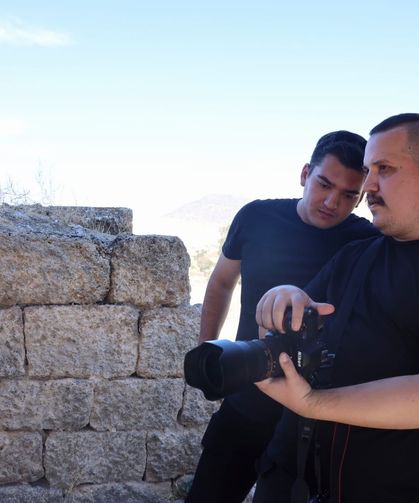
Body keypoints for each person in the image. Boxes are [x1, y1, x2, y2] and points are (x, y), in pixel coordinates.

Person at [186, 130, 379, 503]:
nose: (330, 201)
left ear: (360, 199)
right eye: (324, 183)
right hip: (246, 394)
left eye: (348, 195)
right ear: (305, 173)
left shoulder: (367, 240)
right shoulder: (257, 217)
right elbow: (222, 282)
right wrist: (208, 349)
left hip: (315, 415)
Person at [253, 112, 419, 503]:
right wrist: (280, 299)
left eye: (385, 168)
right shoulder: (353, 257)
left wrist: (314, 404)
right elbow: (282, 343)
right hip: (293, 473)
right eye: (368, 170)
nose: (369, 185)